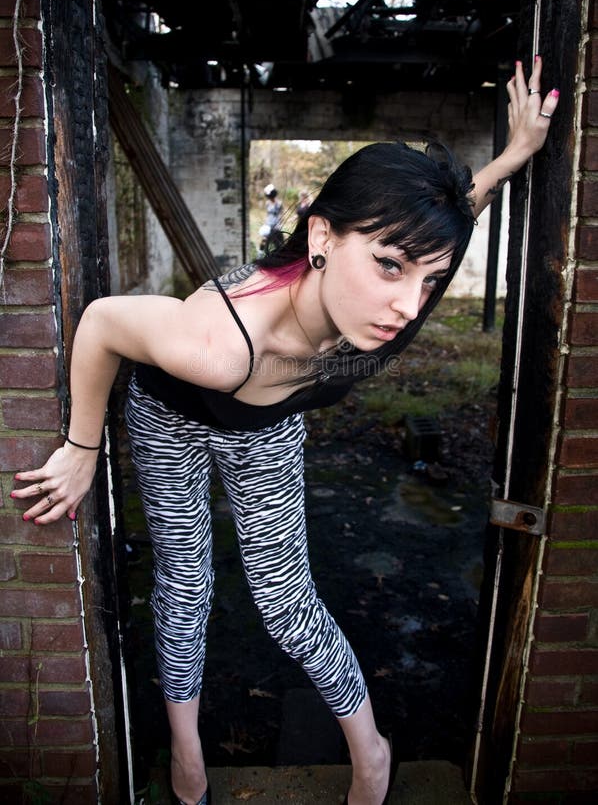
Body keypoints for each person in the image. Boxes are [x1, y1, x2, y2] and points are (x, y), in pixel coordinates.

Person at [12, 59, 558, 805]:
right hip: (173, 411)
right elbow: (104, 322)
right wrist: (80, 446)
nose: (408, 304)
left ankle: (371, 753)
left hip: (268, 422)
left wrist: (513, 154)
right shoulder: (215, 343)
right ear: (322, 234)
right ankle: (187, 751)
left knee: (285, 597)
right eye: (390, 267)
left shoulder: (392, 294)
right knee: (186, 580)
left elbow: (449, 216)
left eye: (426, 280)